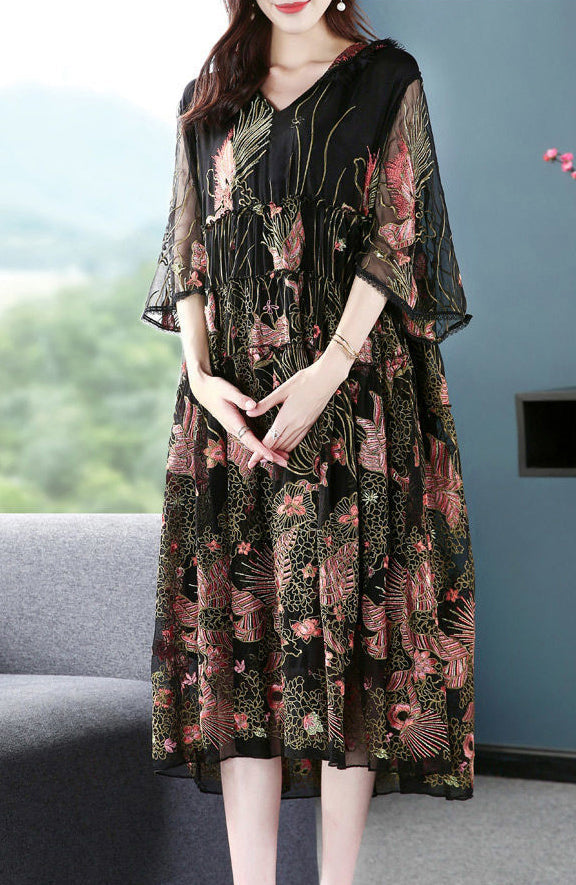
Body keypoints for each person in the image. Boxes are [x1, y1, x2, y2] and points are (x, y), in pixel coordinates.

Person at [141, 2, 476, 883]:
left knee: (347, 642)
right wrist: (201, 377)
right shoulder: (210, 95)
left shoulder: (385, 76)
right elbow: (187, 249)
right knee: (241, 648)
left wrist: (330, 367)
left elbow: (397, 232)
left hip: (353, 395)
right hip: (232, 407)